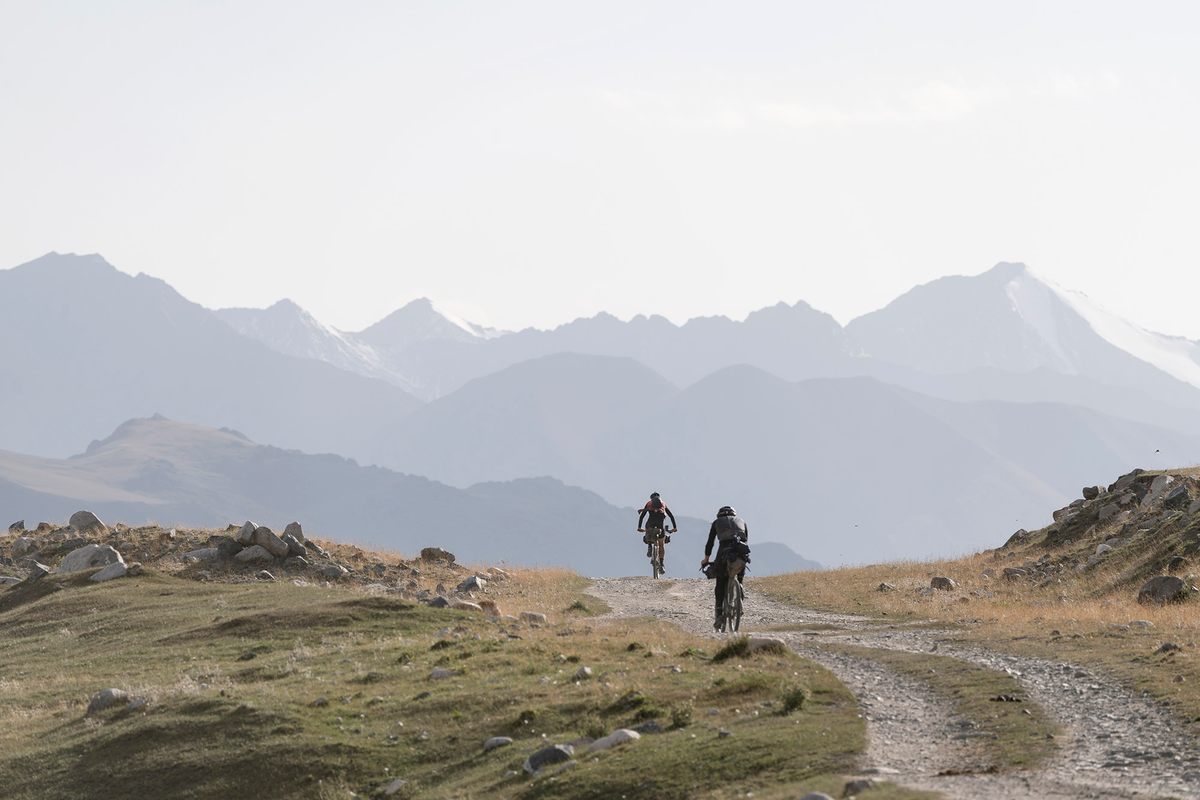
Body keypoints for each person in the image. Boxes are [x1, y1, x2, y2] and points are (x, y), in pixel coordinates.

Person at [700, 505, 748, 630]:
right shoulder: (742, 521)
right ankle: (740, 588)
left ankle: (719, 616)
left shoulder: (717, 523)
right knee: (740, 571)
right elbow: (746, 540)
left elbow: (710, 543)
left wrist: (706, 559)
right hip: (741, 553)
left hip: (724, 552)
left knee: (720, 584)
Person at [637, 492, 677, 571]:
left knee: (648, 530)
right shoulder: (663, 504)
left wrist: (639, 527)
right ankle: (662, 564)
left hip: (650, 524)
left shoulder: (649, 504)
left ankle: (649, 546)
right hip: (660, 525)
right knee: (661, 544)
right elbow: (671, 516)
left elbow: (642, 516)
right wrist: (674, 527)